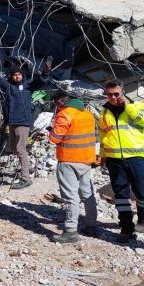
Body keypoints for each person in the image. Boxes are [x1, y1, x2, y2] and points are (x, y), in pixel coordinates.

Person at [99, 79, 144, 243]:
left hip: (135, 157)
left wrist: (128, 106)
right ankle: (126, 226)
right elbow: (103, 136)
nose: (113, 97)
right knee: (121, 195)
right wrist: (102, 155)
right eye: (109, 94)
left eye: (116, 94)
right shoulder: (104, 112)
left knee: (141, 190)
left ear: (122, 92)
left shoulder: (136, 106)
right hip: (114, 159)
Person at [0, 59, 50, 189]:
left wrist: (46, 71)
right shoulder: (9, 87)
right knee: (14, 148)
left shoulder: (28, 86)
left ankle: (25, 178)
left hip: (23, 122)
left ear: (22, 75)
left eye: (19, 74)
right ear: (11, 76)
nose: (17, 76)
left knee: (21, 149)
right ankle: (26, 168)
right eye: (14, 75)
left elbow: (41, 82)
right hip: (12, 122)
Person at [48, 94, 99, 243]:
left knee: (71, 196)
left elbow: (54, 138)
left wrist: (51, 131)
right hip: (86, 159)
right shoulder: (87, 113)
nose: (57, 107)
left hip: (69, 159)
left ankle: (70, 231)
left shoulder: (65, 114)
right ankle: (92, 226)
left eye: (57, 104)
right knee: (87, 193)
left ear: (61, 101)